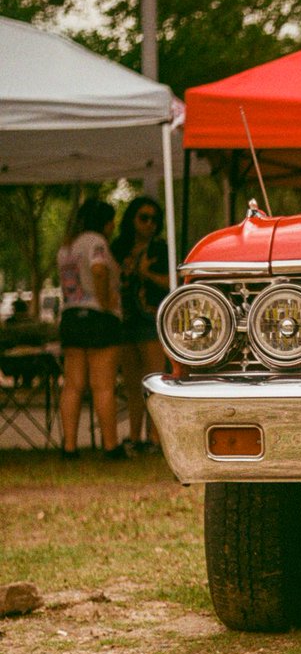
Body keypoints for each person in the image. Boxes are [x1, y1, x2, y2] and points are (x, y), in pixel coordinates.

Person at [57, 198, 125, 459]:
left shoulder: (67, 246)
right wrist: (106, 301)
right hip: (99, 318)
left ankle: (69, 446)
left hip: (72, 316)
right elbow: (98, 270)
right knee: (103, 385)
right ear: (104, 222)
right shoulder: (96, 243)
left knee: (72, 385)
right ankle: (111, 445)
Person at [111, 196, 170, 453]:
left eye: (154, 220)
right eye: (143, 218)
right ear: (132, 219)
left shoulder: (160, 249)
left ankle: (156, 439)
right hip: (125, 321)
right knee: (132, 385)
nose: (149, 224)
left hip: (151, 321)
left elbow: (172, 283)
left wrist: (145, 273)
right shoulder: (119, 248)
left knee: (154, 382)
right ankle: (135, 437)